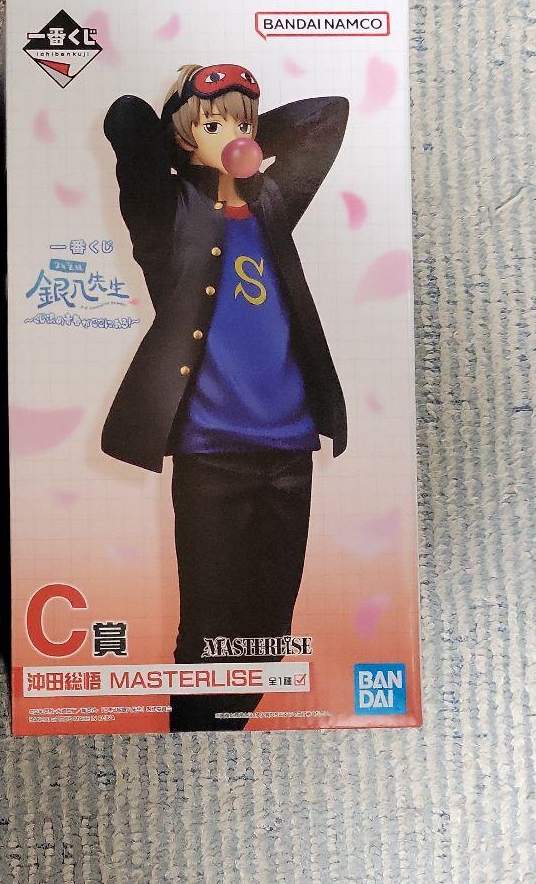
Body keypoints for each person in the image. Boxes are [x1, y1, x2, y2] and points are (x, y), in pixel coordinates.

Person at [101, 64, 349, 730]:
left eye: (244, 122)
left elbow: (329, 114)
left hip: (290, 450)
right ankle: (193, 740)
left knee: (268, 636)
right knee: (209, 633)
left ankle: (224, 734)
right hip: (211, 455)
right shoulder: (166, 215)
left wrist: (241, 133)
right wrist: (192, 127)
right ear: (183, 138)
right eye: (216, 124)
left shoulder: (271, 203)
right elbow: (126, 118)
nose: (235, 133)